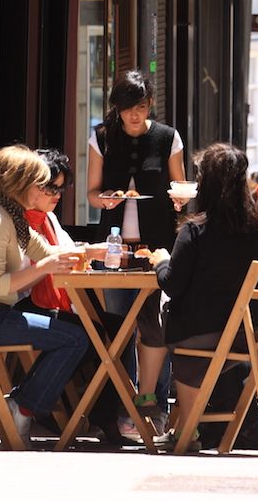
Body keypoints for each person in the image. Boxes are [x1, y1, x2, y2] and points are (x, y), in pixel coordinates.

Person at [147, 142, 258, 450]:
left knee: (149, 320)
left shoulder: (195, 231)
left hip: (198, 337)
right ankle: (185, 427)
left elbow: (172, 285)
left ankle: (156, 406)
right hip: (244, 339)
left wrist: (161, 260)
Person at [0, 144, 89, 448]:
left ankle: (22, 404)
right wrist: (43, 267)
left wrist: (87, 252)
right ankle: (22, 404)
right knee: (75, 338)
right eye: (38, 182)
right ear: (20, 184)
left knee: (77, 334)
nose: (42, 189)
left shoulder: (12, 215)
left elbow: (47, 252)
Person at [87, 69, 187, 433]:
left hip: (156, 247)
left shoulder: (167, 138)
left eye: (142, 107)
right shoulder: (101, 137)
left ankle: (155, 407)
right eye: (129, 108)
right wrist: (105, 200)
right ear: (117, 107)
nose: (135, 115)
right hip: (115, 248)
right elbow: (92, 193)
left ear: (150, 106)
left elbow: (179, 185)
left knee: (154, 324)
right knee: (118, 325)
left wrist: (179, 199)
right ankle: (122, 406)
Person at [15, 148, 136, 445]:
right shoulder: (15, 219)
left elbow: (68, 252)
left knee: (116, 328)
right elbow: (26, 267)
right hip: (21, 302)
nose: (56, 195)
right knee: (94, 335)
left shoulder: (49, 219)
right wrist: (81, 253)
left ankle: (98, 415)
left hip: (53, 298)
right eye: (49, 188)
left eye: (60, 188)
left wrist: (83, 253)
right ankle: (66, 409)